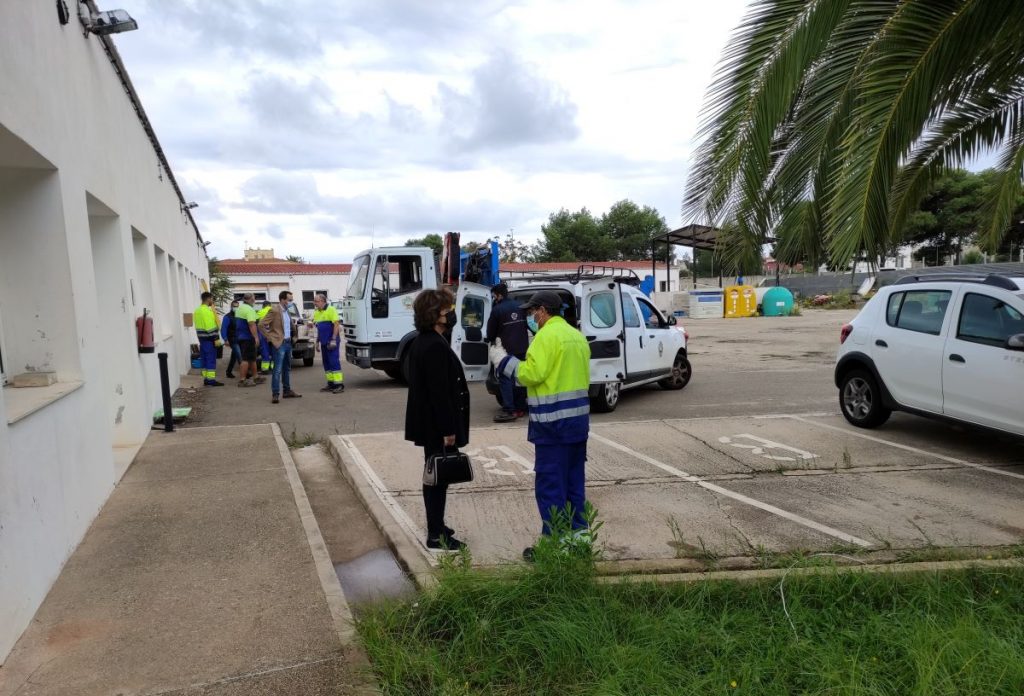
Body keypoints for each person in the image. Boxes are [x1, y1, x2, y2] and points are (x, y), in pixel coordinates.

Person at [490, 290, 591, 560]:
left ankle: (553, 550)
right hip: (577, 426)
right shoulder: (576, 336)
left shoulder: (546, 338)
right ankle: (580, 545)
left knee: (550, 488)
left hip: (552, 427)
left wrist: (503, 362)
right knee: (574, 486)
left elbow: (530, 375)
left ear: (543, 311)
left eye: (532, 312)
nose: (530, 317)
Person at [404, 288, 470, 551]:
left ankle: (437, 525)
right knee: (437, 478)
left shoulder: (428, 340)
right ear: (435, 314)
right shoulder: (432, 345)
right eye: (447, 309)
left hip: (430, 423)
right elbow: (439, 392)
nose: (451, 313)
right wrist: (447, 429)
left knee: (436, 476)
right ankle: (435, 534)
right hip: (436, 425)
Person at [486, 282, 528, 423]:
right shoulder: (520, 306)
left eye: (494, 296)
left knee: (506, 379)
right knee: (520, 379)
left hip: (506, 351)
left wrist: (492, 340)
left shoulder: (497, 310)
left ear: (498, 295)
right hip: (522, 349)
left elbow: (490, 333)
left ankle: (510, 410)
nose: (494, 298)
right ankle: (521, 408)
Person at [259, 290, 302, 404]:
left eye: (291, 300)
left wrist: (295, 336)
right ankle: (275, 394)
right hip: (279, 343)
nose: (291, 302)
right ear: (282, 300)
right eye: (289, 300)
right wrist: (270, 338)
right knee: (277, 370)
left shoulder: (287, 311)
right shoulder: (274, 310)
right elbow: (261, 324)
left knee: (286, 369)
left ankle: (287, 391)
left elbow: (290, 325)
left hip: (288, 343)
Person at [313, 294, 344, 393]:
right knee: (326, 363)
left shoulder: (331, 309)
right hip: (323, 342)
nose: (315, 303)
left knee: (334, 362)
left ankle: (339, 385)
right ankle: (331, 384)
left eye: (316, 301)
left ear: (323, 301)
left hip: (331, 341)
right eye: (315, 301)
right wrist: (317, 341)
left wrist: (334, 339)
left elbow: (336, 324)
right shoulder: (317, 312)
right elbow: (319, 328)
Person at [193, 292, 224, 387]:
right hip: (209, 339)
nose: (212, 301)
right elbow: (210, 327)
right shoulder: (206, 311)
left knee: (205, 359)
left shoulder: (197, 310)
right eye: (212, 299)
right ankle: (211, 380)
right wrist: (216, 338)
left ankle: (206, 379)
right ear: (208, 298)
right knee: (211, 359)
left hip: (202, 339)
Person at [234, 293, 264, 387]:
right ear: (251, 299)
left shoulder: (240, 308)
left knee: (252, 358)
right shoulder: (249, 309)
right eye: (254, 298)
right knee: (246, 359)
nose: (254, 300)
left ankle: (256, 377)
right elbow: (251, 324)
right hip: (248, 337)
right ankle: (242, 380)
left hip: (241, 336)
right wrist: (256, 337)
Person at [221, 300, 241, 378]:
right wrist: (225, 339)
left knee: (234, 356)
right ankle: (245, 374)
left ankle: (228, 372)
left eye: (237, 306)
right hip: (232, 339)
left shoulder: (240, 316)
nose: (235, 308)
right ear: (231, 307)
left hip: (240, 339)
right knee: (240, 357)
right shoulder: (227, 317)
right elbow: (223, 328)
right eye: (234, 306)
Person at [257, 300, 273, 375]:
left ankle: (265, 369)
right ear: (270, 305)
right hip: (273, 334)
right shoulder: (274, 311)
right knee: (274, 351)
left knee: (265, 351)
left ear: (263, 306)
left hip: (263, 334)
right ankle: (274, 368)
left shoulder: (260, 312)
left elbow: (256, 323)